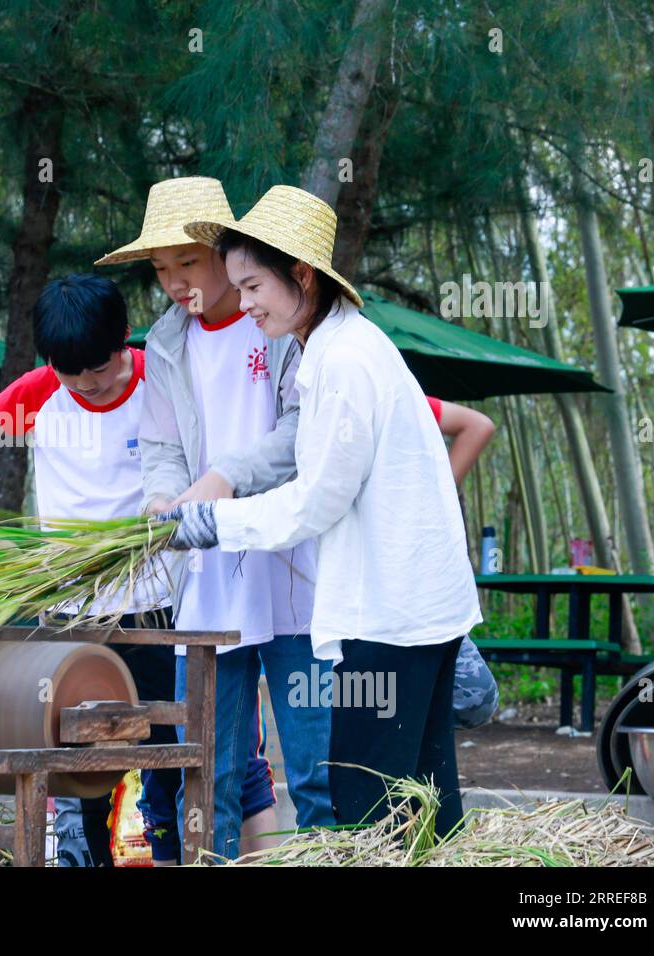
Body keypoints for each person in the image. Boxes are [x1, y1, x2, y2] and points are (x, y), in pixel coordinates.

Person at [162, 185, 482, 840]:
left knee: (368, 803)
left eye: (253, 286)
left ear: (301, 275)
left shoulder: (342, 360)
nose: (244, 303)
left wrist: (212, 522)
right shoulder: (337, 348)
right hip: (409, 608)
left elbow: (315, 501)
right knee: (424, 805)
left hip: (392, 619)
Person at [97, 176, 335, 861]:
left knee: (315, 770)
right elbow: (163, 446)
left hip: (294, 567)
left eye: (188, 263)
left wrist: (222, 481)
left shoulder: (288, 326)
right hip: (208, 577)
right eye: (161, 268)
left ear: (227, 254)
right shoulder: (168, 342)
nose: (174, 282)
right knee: (211, 769)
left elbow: (299, 434)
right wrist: (164, 498)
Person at [0, 274, 180, 867]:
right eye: (74, 374)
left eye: (99, 368)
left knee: (169, 751)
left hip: (159, 602)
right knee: (81, 762)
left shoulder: (162, 380)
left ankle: (176, 853)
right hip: (74, 612)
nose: (89, 384)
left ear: (124, 338)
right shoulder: (39, 394)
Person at [425, 396, 500, 730]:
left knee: (475, 696)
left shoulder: (398, 391)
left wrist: (432, 496)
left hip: (422, 585)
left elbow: (478, 424)